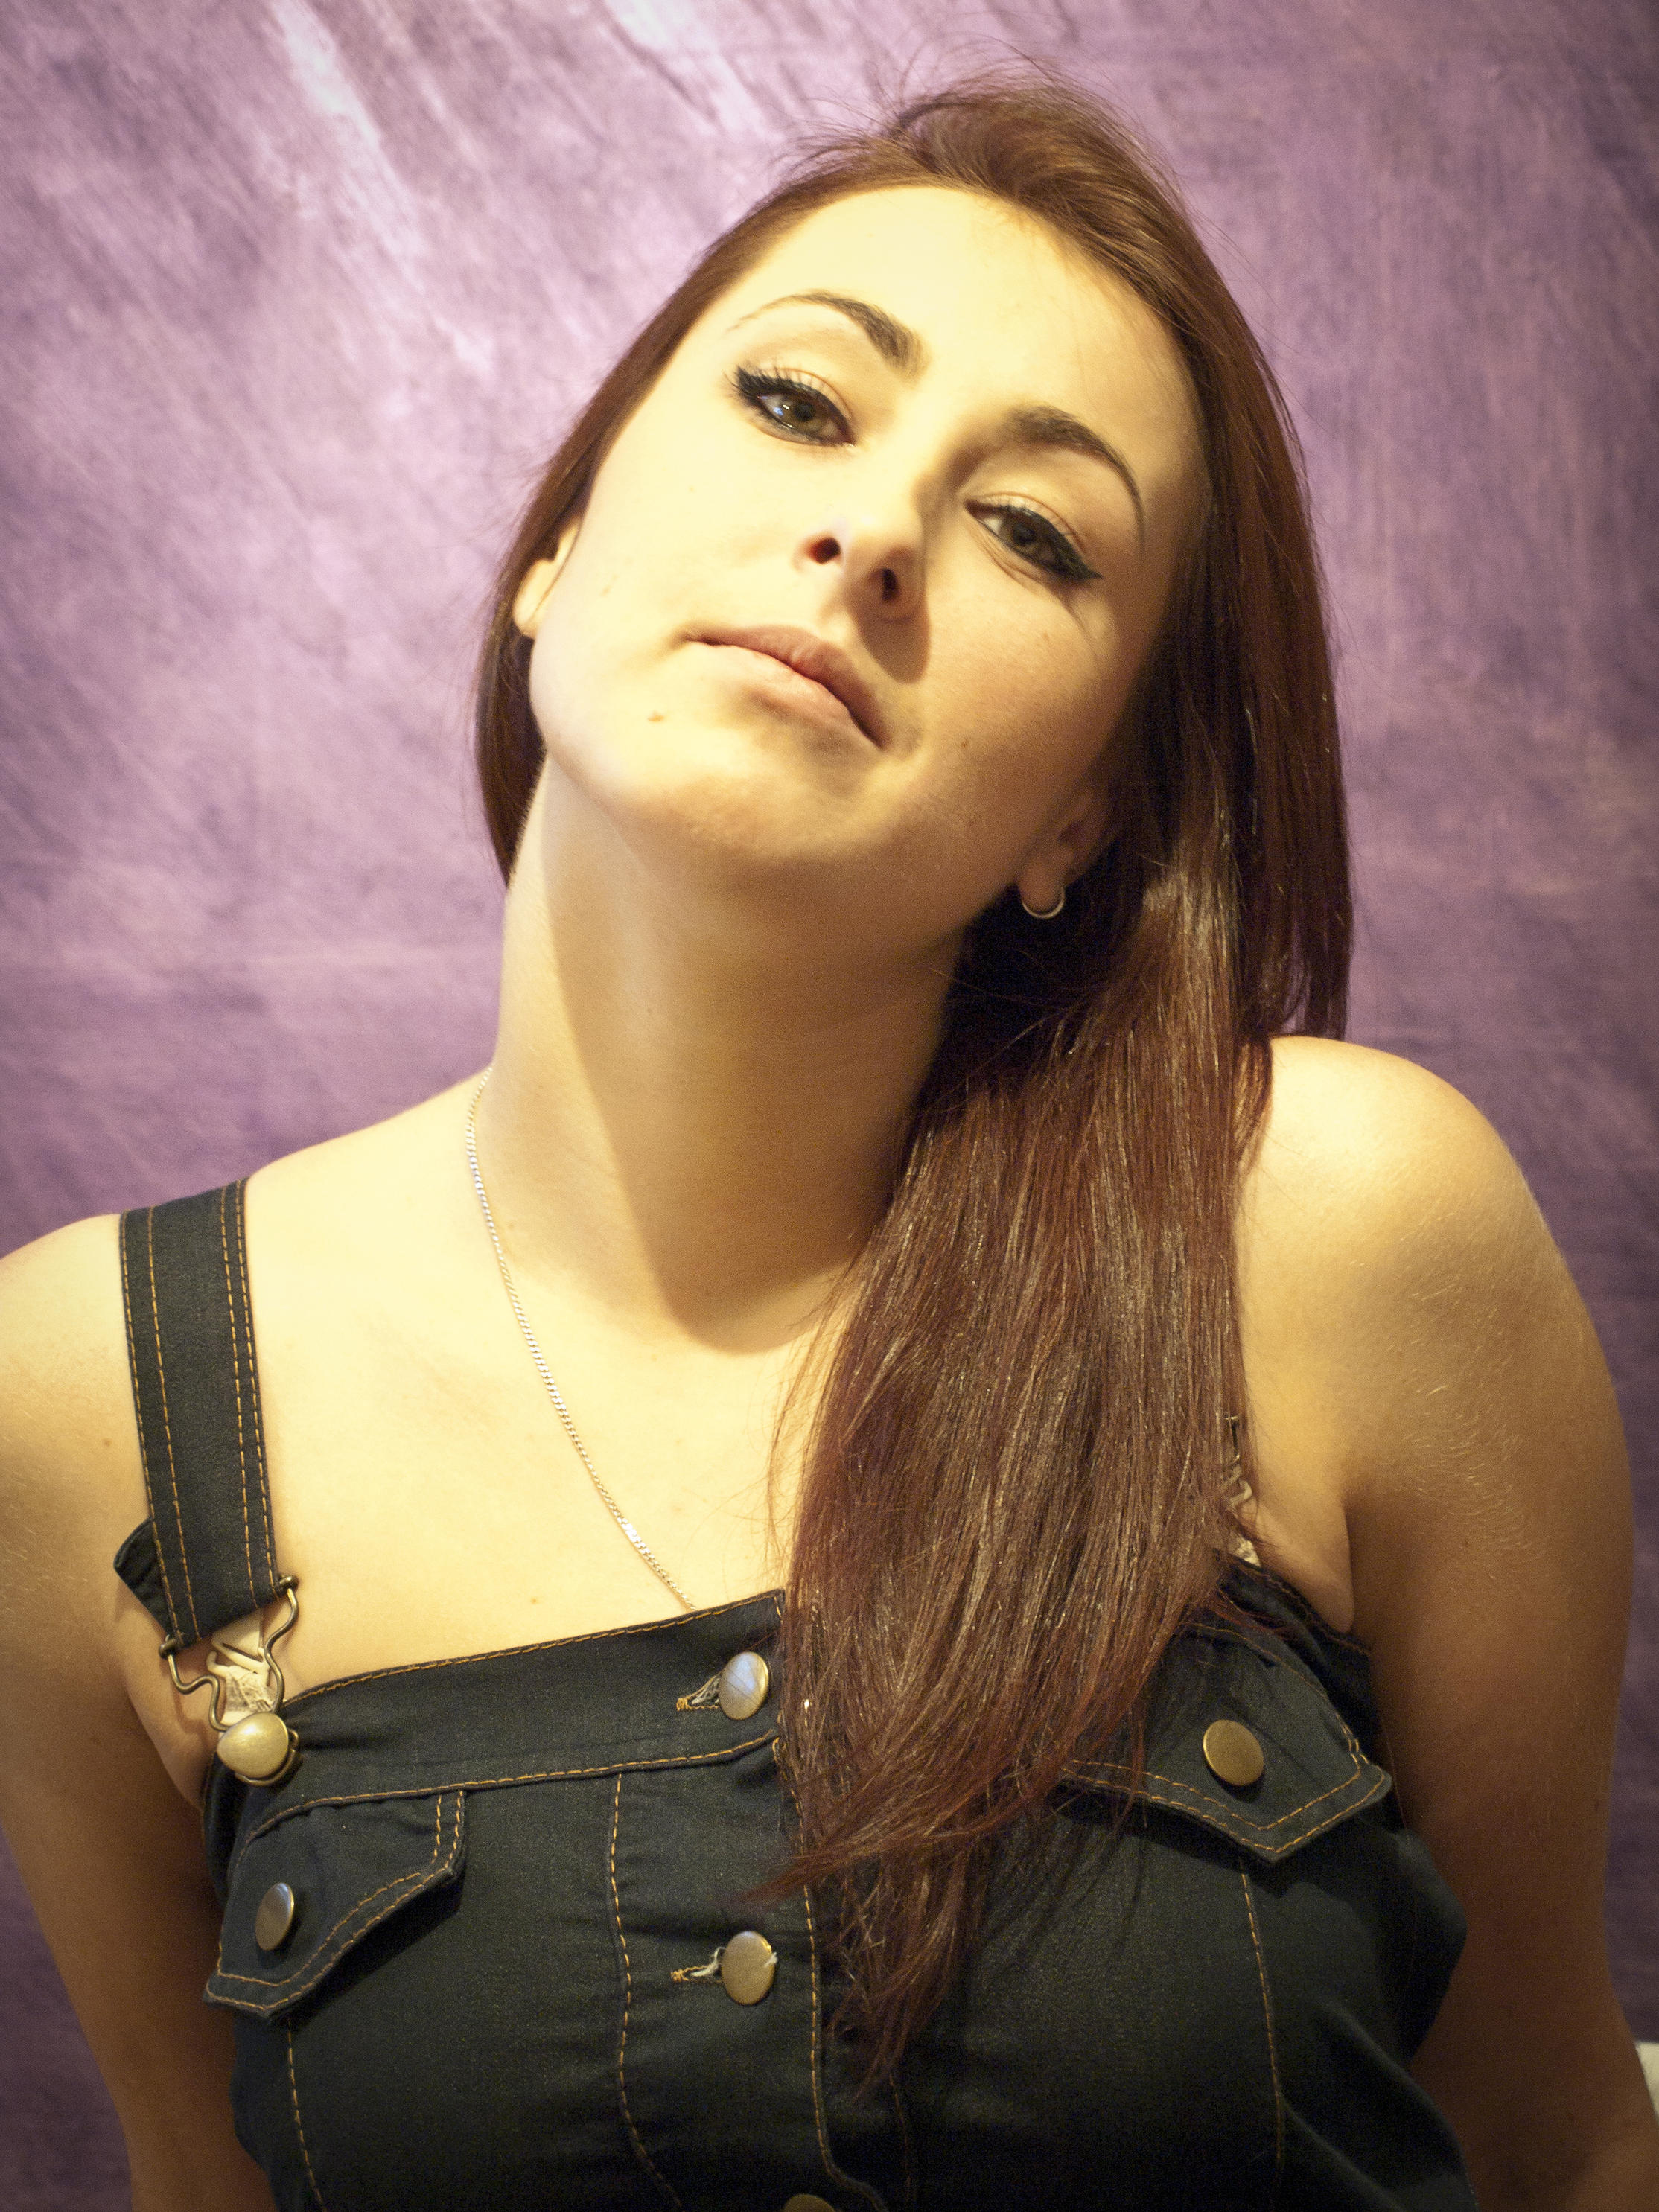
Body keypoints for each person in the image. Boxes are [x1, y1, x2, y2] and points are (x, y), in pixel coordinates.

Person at [0, 68, 1654, 2212]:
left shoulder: (1334, 1231)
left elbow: (1550, 2143)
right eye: (798, 403)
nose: (874, 533)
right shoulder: (84, 1403)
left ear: (1086, 814)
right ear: (557, 543)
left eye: (1035, 533)